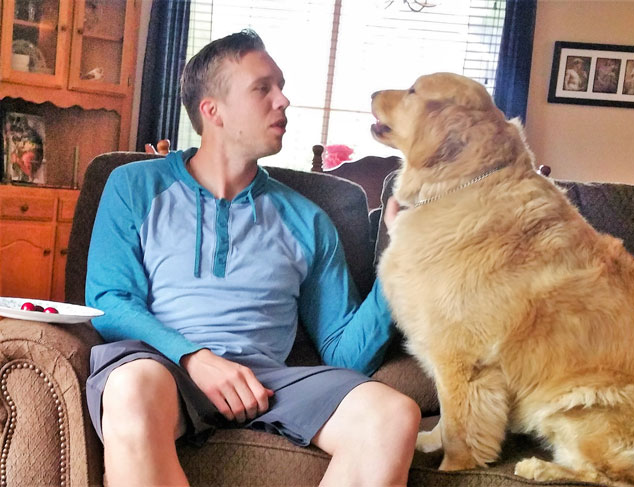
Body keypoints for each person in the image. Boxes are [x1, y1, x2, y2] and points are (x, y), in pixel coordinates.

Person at [85, 29, 420, 486]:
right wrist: (194, 358)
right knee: (129, 389)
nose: (283, 101)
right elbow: (110, 299)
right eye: (263, 88)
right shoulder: (133, 186)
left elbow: (346, 354)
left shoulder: (308, 219)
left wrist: (400, 256)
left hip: (268, 382)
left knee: (392, 413)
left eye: (280, 87)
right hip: (164, 368)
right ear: (212, 111)